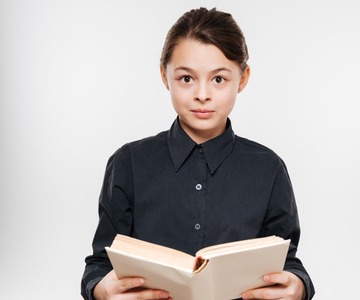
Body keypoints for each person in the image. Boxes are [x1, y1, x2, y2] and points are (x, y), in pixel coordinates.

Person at [81, 7, 315, 300]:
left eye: (219, 79)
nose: (202, 94)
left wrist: (298, 286)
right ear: (164, 76)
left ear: (242, 79)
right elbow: (101, 263)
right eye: (186, 79)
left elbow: (286, 263)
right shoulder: (128, 163)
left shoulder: (269, 169)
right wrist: (101, 290)